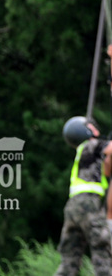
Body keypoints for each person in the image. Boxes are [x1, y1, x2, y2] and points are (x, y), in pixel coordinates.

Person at [54, 116, 112, 276]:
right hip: (88, 203)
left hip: (73, 206)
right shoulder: (93, 145)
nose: (95, 128)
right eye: (91, 126)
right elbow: (110, 149)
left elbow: (107, 170)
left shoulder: (83, 151)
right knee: (101, 250)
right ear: (85, 131)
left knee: (69, 261)